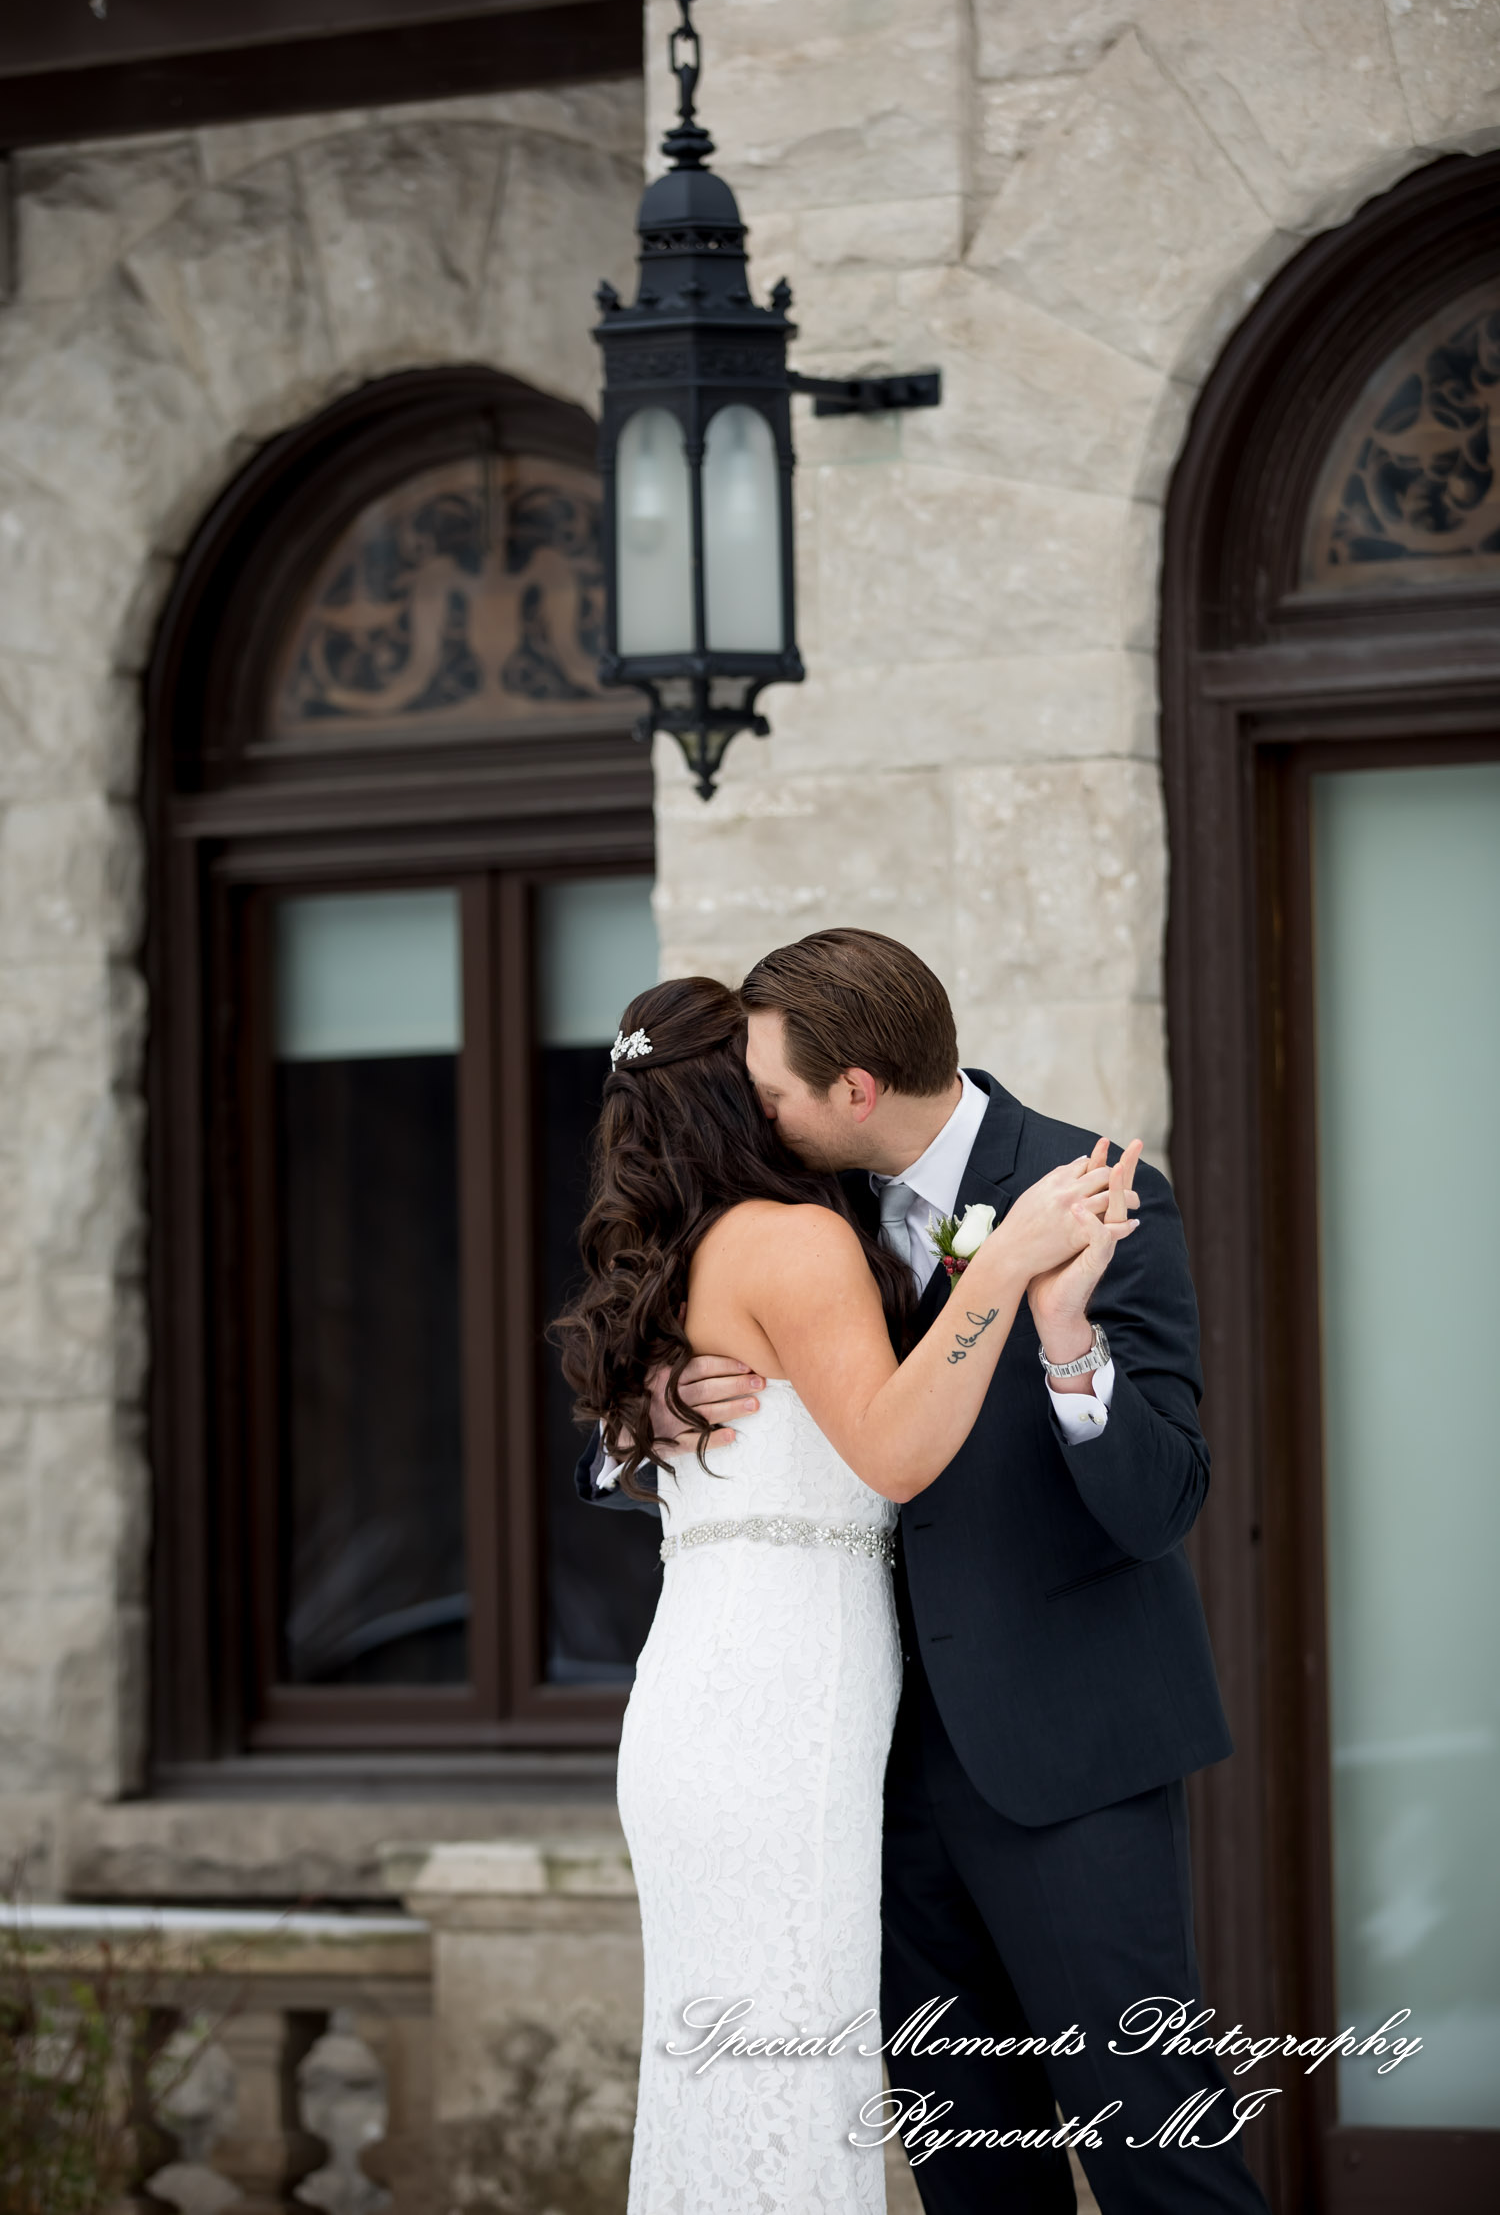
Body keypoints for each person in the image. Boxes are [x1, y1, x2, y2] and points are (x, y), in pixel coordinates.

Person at [575, 929, 1272, 2215]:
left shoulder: (1091, 1192)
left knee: (1158, 2146)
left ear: (853, 1088)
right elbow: (682, 1404)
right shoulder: (795, 1210)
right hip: (857, 1773)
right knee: (969, 2168)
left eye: (768, 1089)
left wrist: (1068, 1349)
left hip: (1064, 1751)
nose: (752, 1113)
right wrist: (648, 1417)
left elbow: (1162, 1501)